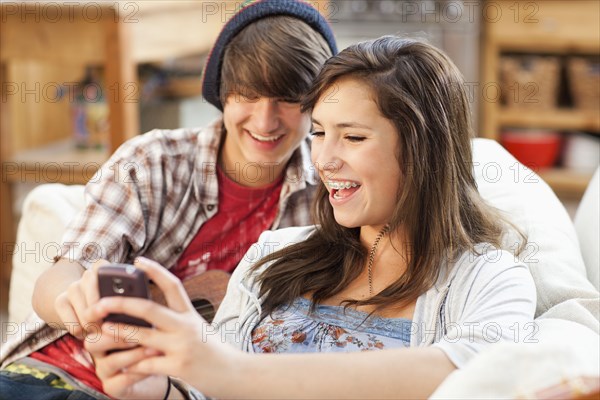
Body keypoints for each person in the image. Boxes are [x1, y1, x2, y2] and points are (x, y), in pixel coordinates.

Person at [83, 37, 537, 399]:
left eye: (353, 137)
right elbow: (209, 388)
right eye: (319, 133)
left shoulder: (490, 277)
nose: (325, 159)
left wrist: (229, 370)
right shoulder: (274, 252)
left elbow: (477, 375)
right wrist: (158, 389)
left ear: (425, 150)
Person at [0, 1, 336, 398]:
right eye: (247, 95)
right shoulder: (151, 162)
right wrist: (79, 309)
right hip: (51, 372)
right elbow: (58, 277)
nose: (265, 121)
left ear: (316, 106)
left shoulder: (328, 194)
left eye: (288, 99)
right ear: (223, 95)